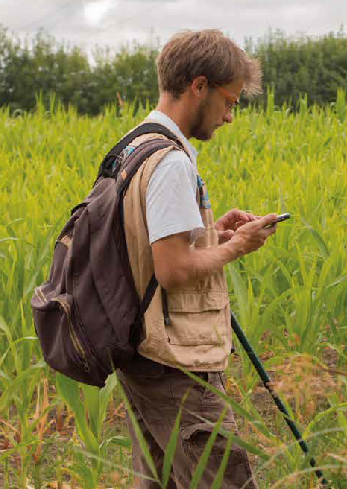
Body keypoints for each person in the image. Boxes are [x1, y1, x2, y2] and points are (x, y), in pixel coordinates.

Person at [117, 29, 278, 489]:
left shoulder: (135, 145)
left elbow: (150, 248)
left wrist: (211, 233)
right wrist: (236, 246)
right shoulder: (171, 162)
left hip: (144, 353)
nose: (229, 116)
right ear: (198, 86)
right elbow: (172, 270)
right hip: (176, 363)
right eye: (228, 101)